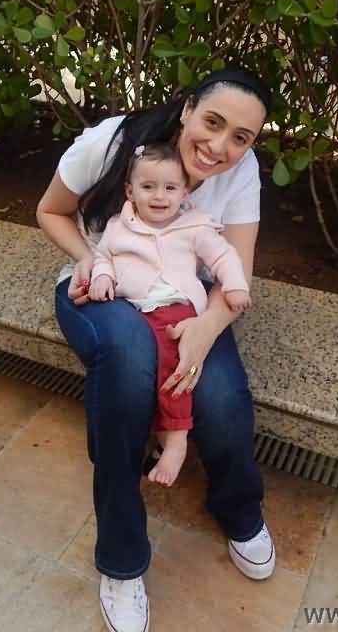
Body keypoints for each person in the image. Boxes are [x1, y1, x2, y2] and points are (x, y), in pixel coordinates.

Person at [36, 67, 276, 632]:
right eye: (212, 122)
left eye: (240, 137)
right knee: (127, 364)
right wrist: (90, 260)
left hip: (186, 301)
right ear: (188, 108)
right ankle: (121, 560)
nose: (219, 146)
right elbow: (50, 210)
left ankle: (238, 507)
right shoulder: (113, 142)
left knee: (219, 396)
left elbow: (235, 271)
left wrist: (206, 329)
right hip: (104, 288)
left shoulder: (241, 173)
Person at [88, 141, 252, 488]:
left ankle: (176, 438)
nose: (159, 196)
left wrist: (235, 285)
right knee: (131, 365)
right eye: (148, 187)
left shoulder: (193, 226)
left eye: (170, 188)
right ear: (130, 191)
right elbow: (103, 255)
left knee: (170, 362)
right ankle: (146, 437)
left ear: (184, 192)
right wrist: (102, 276)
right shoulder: (119, 225)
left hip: (173, 307)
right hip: (133, 306)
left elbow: (223, 256)